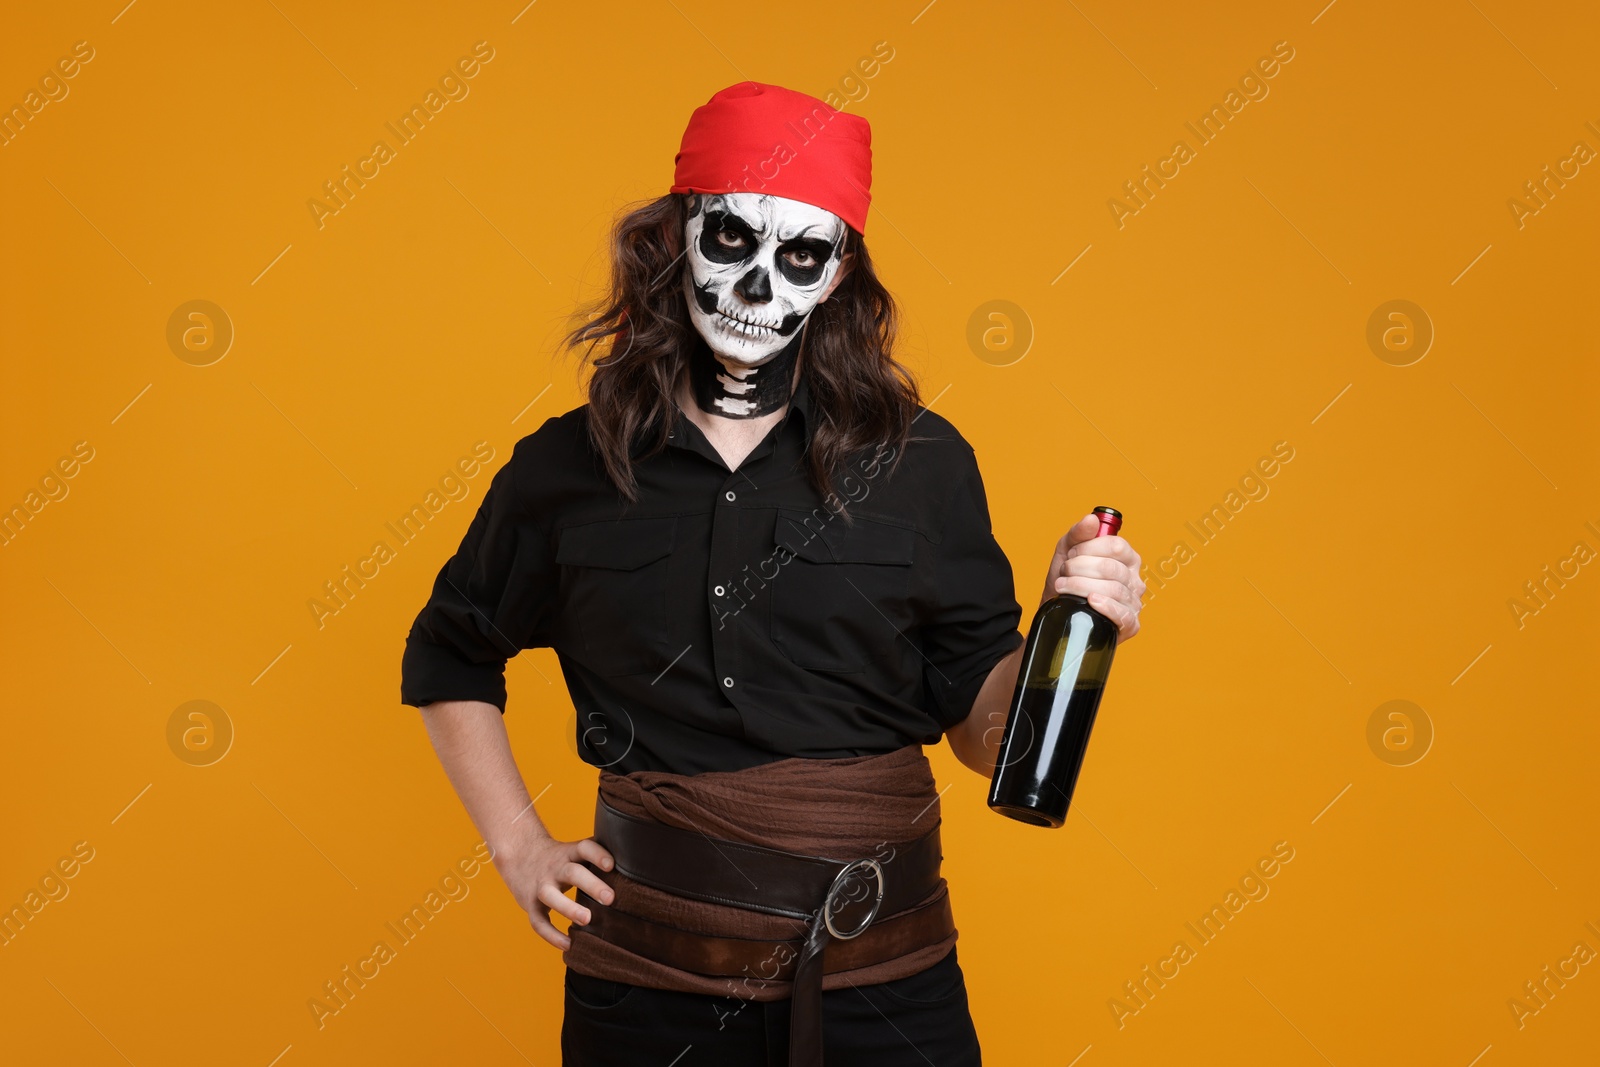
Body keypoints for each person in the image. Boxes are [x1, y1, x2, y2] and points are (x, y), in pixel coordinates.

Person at [400, 81, 1145, 1066]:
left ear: (837, 273)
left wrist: (1064, 627)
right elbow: (450, 650)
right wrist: (519, 845)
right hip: (647, 989)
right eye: (732, 240)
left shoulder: (922, 463)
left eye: (801, 253)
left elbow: (983, 734)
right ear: (675, 239)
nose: (761, 283)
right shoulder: (564, 468)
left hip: (888, 988)